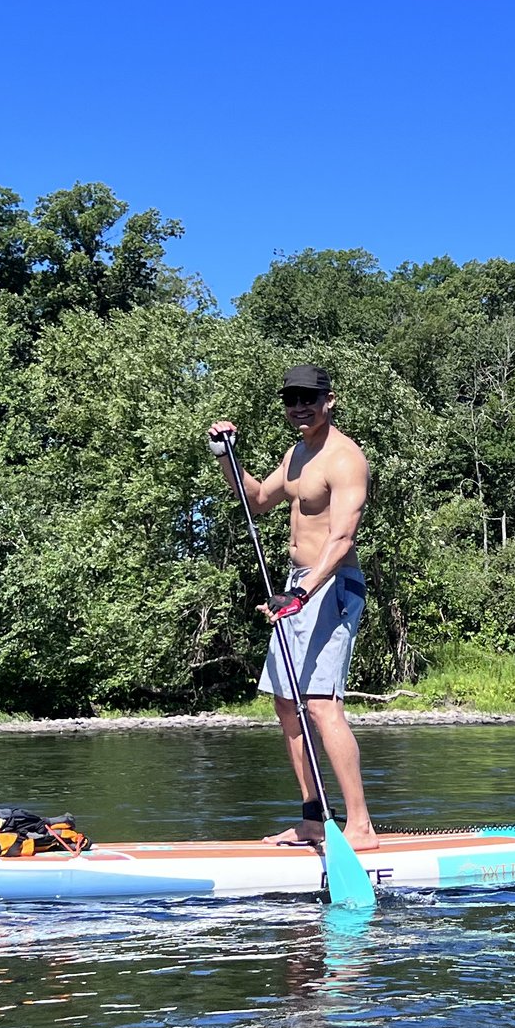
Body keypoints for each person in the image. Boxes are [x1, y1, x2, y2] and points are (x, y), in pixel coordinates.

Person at [209, 363, 378, 849]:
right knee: (287, 706)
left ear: (330, 400)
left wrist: (302, 595)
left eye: (309, 397)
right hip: (296, 587)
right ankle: (313, 818)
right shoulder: (297, 454)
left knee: (323, 705)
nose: (299, 406)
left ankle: (360, 827)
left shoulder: (345, 460)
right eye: (292, 399)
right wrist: (227, 456)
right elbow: (257, 498)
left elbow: (342, 538)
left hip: (331, 586)